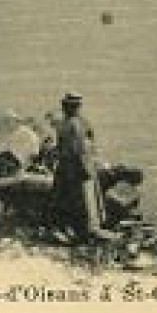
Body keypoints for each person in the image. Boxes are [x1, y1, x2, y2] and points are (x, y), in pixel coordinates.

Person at [52, 92, 106, 241]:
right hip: (76, 166)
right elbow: (80, 149)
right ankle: (88, 229)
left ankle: (73, 228)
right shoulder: (77, 124)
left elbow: (65, 147)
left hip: (67, 166)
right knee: (83, 199)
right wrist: (86, 168)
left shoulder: (65, 123)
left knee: (69, 199)